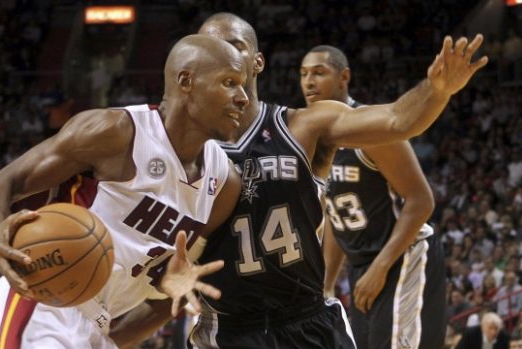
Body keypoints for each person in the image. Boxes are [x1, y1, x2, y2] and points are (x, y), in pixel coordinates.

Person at [110, 12, 488, 349]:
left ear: (257, 62)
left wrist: (436, 90)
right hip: (227, 330)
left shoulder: (303, 126)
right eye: (211, 46)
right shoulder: (181, 148)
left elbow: (397, 121)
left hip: (308, 320)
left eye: (234, 45)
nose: (222, 53)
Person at [0, 34, 248, 349]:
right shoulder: (114, 133)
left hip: (100, 327)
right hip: (43, 303)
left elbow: (171, 295)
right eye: (229, 82)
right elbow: (1, 187)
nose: (243, 97)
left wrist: (111, 341)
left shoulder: (224, 184)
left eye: (243, 85)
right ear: (186, 81)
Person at [300, 45, 447, 349]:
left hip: (403, 255)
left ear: (344, 77)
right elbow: (334, 215)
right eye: (303, 74)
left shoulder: (370, 128)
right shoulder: (314, 141)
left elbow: (422, 200)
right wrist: (326, 285)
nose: (309, 82)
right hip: (361, 265)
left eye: (318, 72)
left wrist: (381, 266)